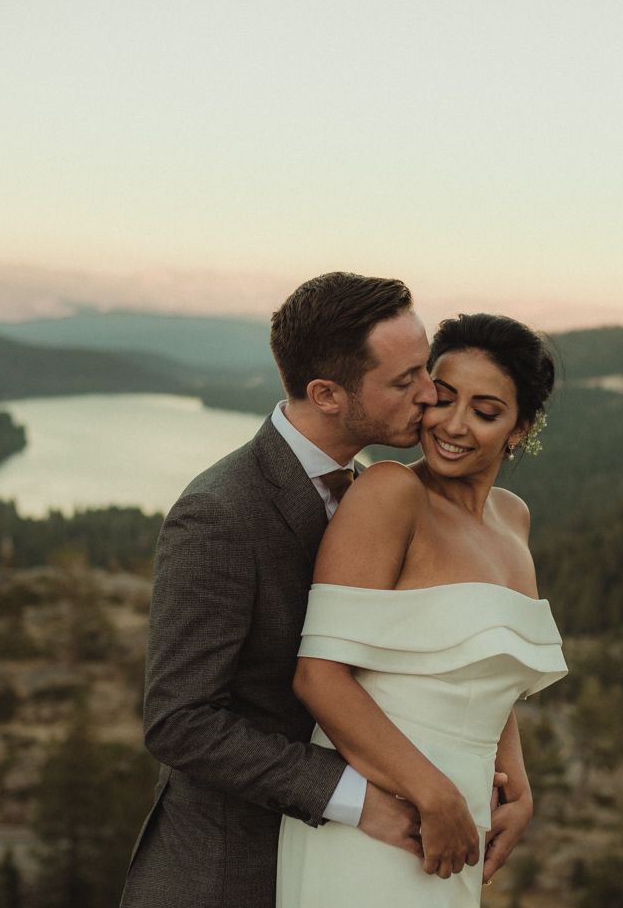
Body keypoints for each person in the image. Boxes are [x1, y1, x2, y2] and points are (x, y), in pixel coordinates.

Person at [122, 272, 445, 908]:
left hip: (342, 870)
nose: (431, 395)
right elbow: (179, 721)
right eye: (405, 381)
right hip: (229, 874)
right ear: (326, 393)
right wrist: (356, 800)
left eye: (425, 369)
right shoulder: (219, 511)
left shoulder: (372, 495)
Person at [277, 312, 567, 908]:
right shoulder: (389, 492)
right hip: (384, 809)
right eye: (442, 398)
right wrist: (433, 796)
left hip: (463, 815)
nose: (452, 425)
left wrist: (518, 788)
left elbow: (485, 667)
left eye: (486, 412)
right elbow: (319, 676)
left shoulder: (514, 518)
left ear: (520, 428)